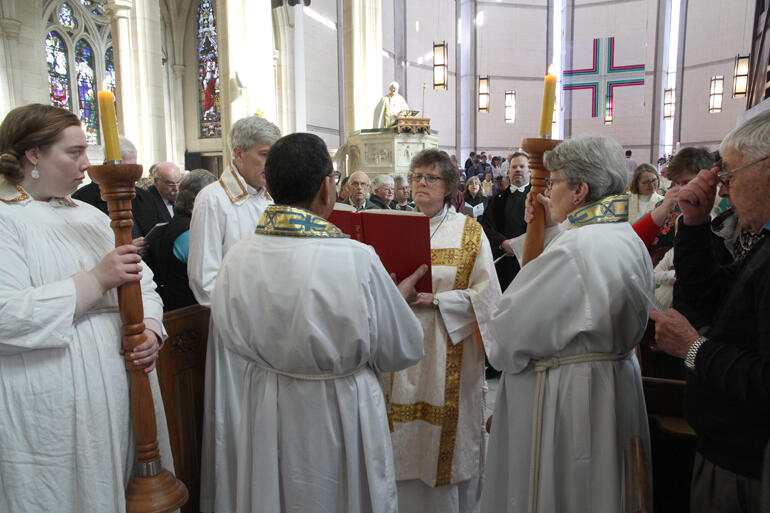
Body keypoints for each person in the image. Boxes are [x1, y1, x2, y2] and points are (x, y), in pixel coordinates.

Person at [213, 132, 426, 513]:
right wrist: (400, 301)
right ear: (328, 188)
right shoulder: (355, 258)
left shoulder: (238, 257)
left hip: (266, 403)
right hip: (339, 408)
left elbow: (229, 335)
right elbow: (403, 348)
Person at [0, 104, 173, 512]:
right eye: (74, 152)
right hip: (50, 395)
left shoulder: (92, 215)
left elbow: (142, 280)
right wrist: (95, 281)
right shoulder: (6, 218)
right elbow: (5, 315)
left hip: (120, 388)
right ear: (33, 154)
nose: (87, 165)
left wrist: (149, 327)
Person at [482, 135, 653, 513]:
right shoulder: (625, 236)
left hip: (574, 398)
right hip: (612, 385)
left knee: (572, 493)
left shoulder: (576, 250)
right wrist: (551, 226)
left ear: (579, 190)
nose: (548, 189)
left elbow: (508, 337)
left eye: (554, 181)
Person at [651, 109, 770, 513]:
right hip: (728, 450)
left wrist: (694, 348)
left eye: (731, 175)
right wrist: (696, 221)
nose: (724, 189)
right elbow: (709, 298)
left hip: (752, 464)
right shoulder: (762, 241)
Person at [387, 149, 501, 513]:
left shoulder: (469, 233)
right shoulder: (391, 224)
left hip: (448, 349)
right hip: (399, 349)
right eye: (416, 176)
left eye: (430, 177)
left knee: (442, 447)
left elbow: (488, 299)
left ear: (449, 186)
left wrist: (437, 300)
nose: (420, 183)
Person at [190, 115, 281, 513]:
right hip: (237, 336)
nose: (270, 164)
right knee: (237, 426)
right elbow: (204, 280)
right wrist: (254, 314)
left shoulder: (268, 198)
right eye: (264, 155)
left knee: (268, 429)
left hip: (274, 333)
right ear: (238, 153)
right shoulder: (214, 200)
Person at [146, 168, 216, 311]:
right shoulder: (187, 232)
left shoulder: (184, 221)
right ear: (194, 201)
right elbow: (207, 274)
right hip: (187, 312)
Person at [72, 135, 163, 241]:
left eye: (133, 168)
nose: (130, 174)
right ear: (107, 166)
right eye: (125, 168)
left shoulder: (145, 197)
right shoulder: (83, 199)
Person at [481, 150, 531, 292]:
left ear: (529, 170)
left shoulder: (538, 199)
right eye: (514, 167)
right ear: (508, 171)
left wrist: (519, 245)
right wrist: (503, 243)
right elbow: (487, 226)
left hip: (529, 260)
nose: (518, 170)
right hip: (503, 259)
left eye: (522, 166)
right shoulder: (498, 199)